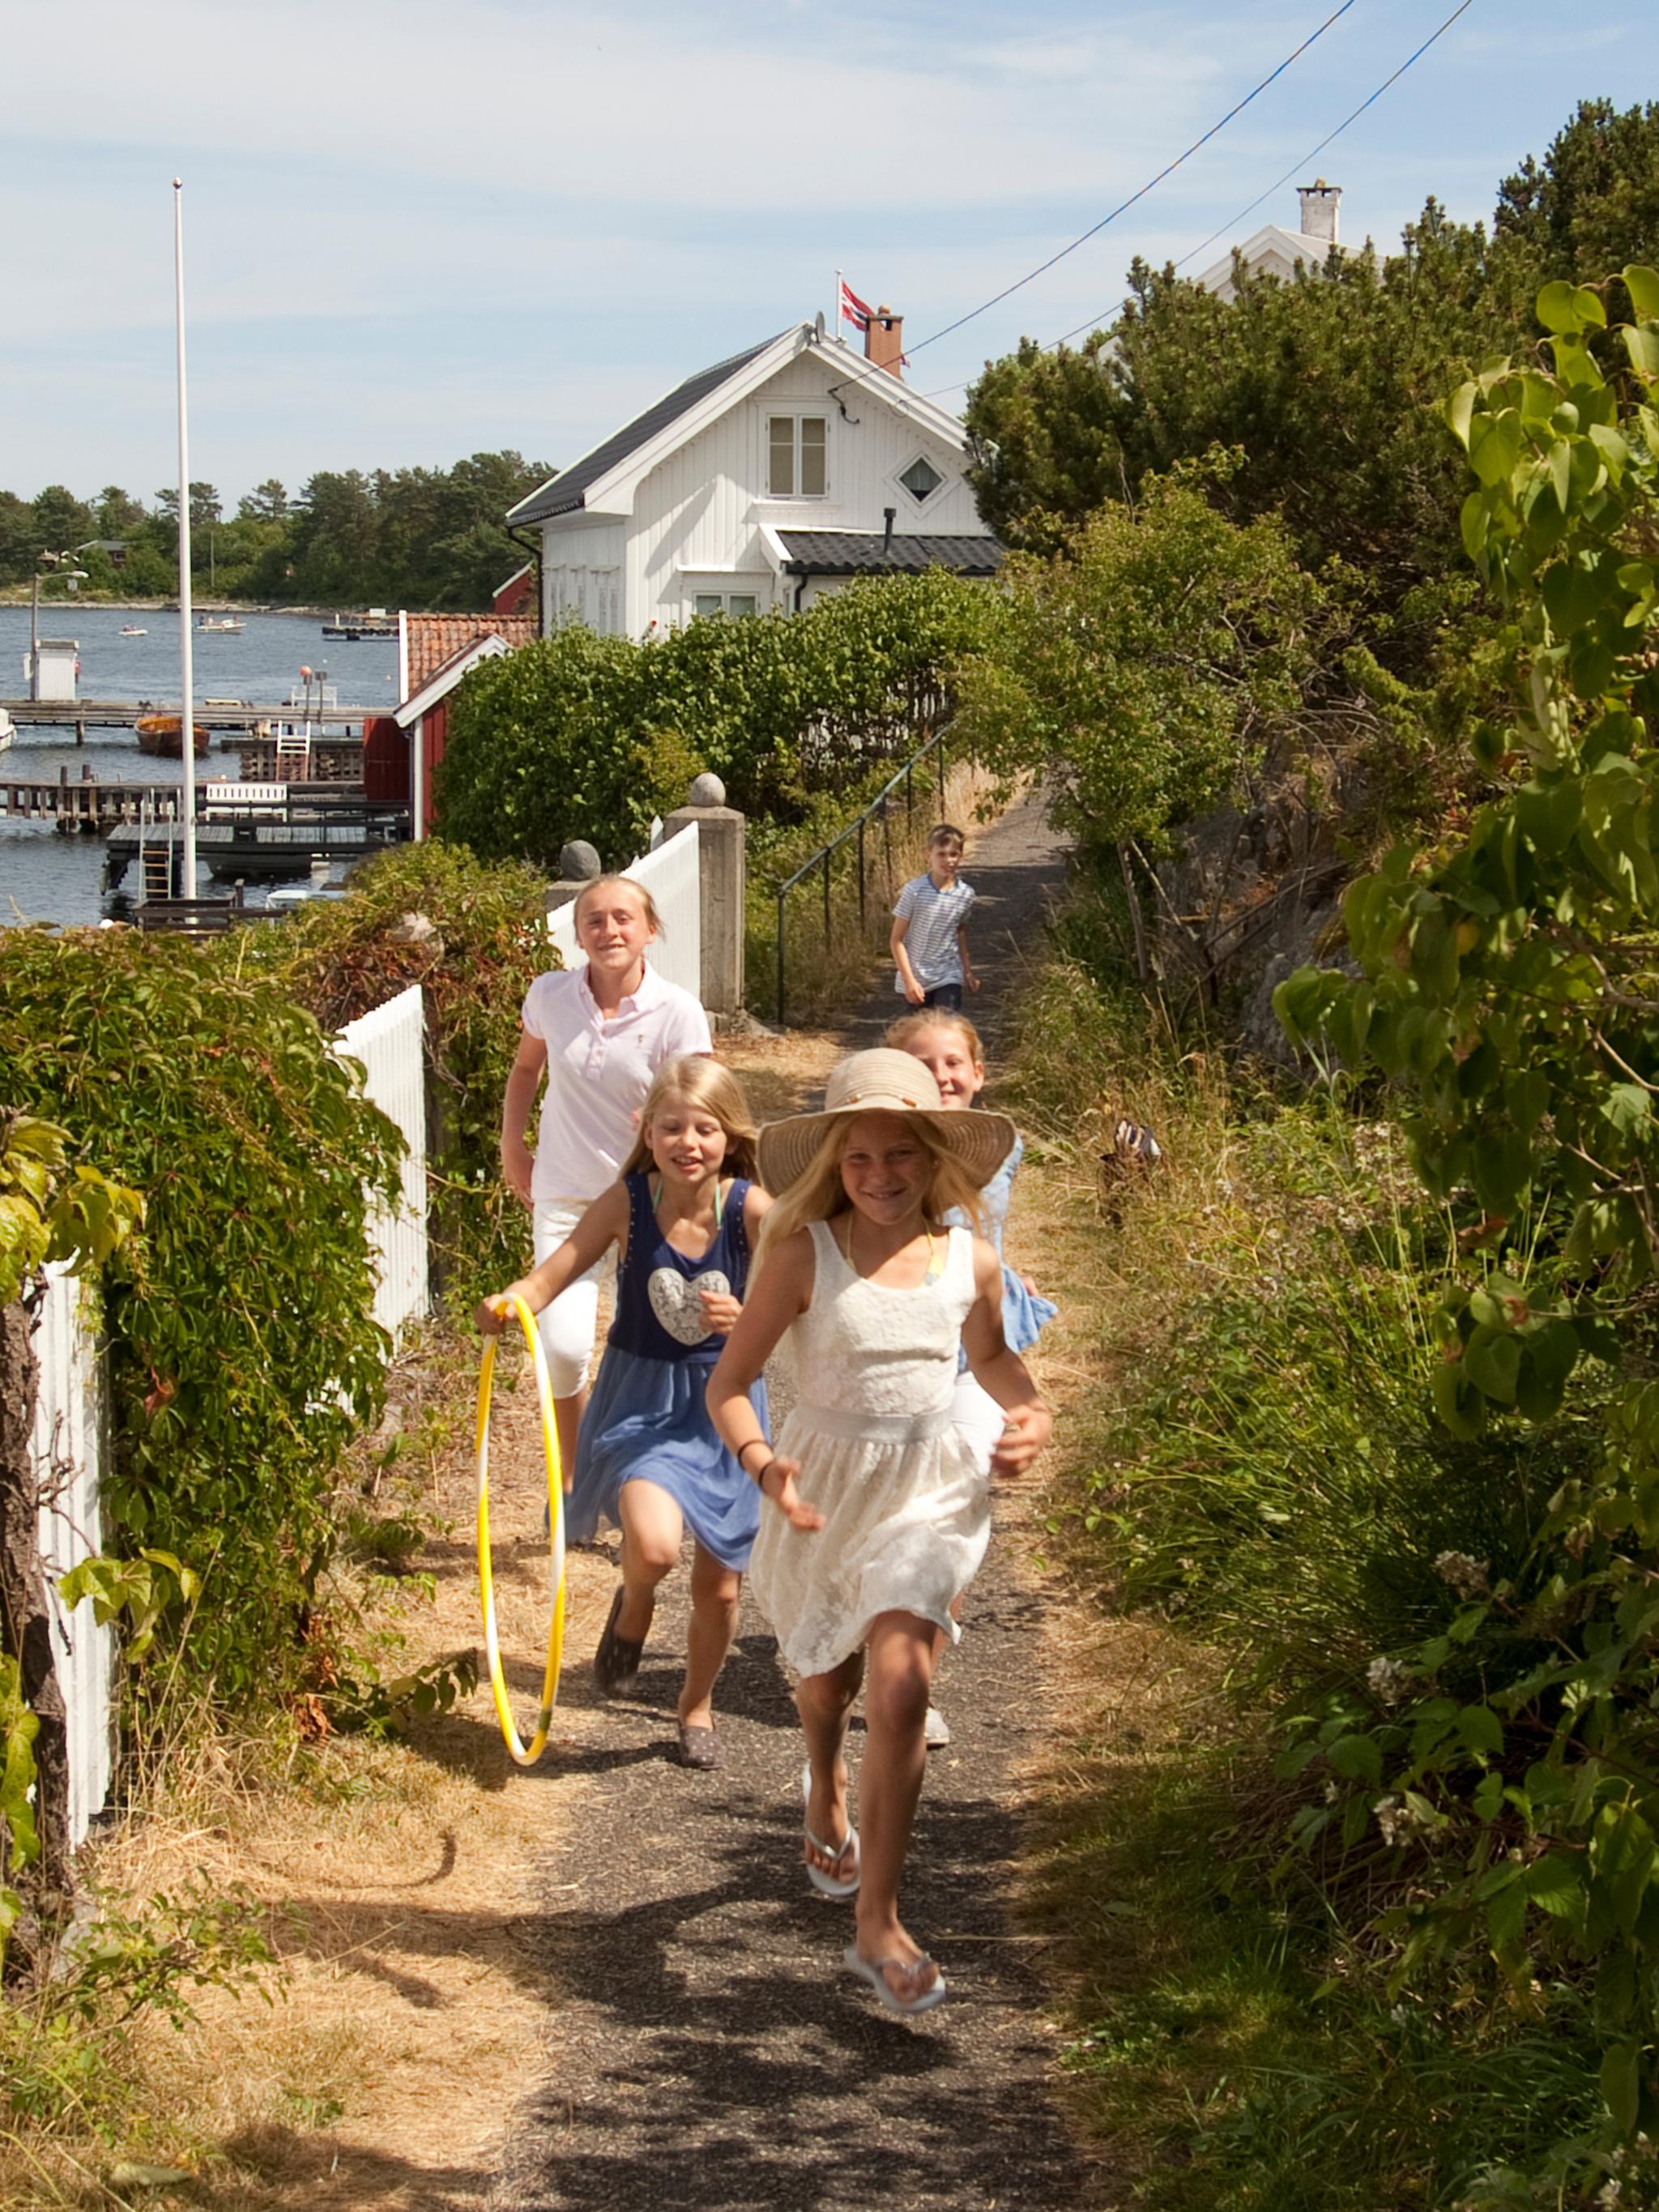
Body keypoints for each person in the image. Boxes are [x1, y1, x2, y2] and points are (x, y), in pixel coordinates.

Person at [707, 1049, 1052, 2014]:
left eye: (900, 1155)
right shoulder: (799, 1254)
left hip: (930, 1490)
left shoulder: (969, 1261)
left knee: (900, 1690)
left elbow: (992, 1361)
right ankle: (821, 1775)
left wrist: (1032, 1416)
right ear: (832, 1165)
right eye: (859, 1160)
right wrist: (761, 1463)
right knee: (826, 1683)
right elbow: (728, 1387)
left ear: (934, 1154)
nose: (882, 1176)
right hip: (822, 1486)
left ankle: (878, 1922)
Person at [478, 1057, 769, 1770]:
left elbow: (804, 1301)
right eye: (672, 1127)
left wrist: (749, 1316)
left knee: (721, 1585)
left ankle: (695, 1706)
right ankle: (635, 1602)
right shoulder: (627, 1202)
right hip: (643, 1404)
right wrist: (511, 1303)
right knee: (656, 1547)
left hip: (725, 1409)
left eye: (705, 1129)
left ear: (729, 1137)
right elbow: (554, 1272)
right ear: (648, 1131)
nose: (687, 1142)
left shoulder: (752, 1211)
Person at [499, 876, 711, 1482]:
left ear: (649, 930)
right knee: (563, 1351)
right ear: (578, 935)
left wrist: (668, 1119)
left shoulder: (677, 1011)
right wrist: (513, 1145)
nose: (609, 930)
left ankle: (650, 1477)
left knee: (657, 1349)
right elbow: (525, 1069)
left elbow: (706, 1101)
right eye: (594, 920)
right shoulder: (551, 995)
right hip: (564, 1198)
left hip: (650, 1202)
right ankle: (576, 1478)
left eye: (623, 918)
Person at [889, 1008, 1058, 1749]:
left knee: (955, 1509)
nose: (943, 1076)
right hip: (900, 1350)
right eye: (923, 1067)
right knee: (892, 1518)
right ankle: (870, 1638)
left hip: (975, 1350)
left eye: (954, 1063)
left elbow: (973, 1211)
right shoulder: (878, 1156)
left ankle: (913, 1684)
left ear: (979, 1073)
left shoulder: (1003, 1143)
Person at [890, 823, 979, 1011]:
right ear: (928, 855)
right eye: (941, 854)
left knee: (946, 1027)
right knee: (918, 1035)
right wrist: (909, 980)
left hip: (948, 974)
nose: (948, 860)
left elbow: (960, 930)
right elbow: (896, 940)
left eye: (954, 854)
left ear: (961, 856)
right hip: (918, 975)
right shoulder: (914, 891)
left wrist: (966, 971)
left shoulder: (965, 894)